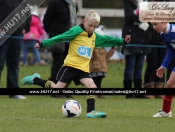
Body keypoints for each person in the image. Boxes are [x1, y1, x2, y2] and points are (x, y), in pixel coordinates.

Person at [21, 10, 131, 118]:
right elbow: (60, 37)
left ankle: (91, 111)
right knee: (57, 89)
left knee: (92, 86)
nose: (92, 29)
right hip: (71, 66)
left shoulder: (94, 37)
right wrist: (43, 44)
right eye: (90, 25)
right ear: (83, 21)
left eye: (94, 27)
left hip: (83, 69)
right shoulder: (76, 31)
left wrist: (123, 41)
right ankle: (35, 79)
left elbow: (108, 39)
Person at [43, 0, 78, 98]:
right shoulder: (55, 2)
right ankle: (55, 90)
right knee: (58, 63)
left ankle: (64, 87)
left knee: (68, 64)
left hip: (71, 39)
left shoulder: (74, 3)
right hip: (58, 37)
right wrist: (53, 35)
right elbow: (47, 20)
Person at [0, 0, 31, 99]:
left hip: (17, 37)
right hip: (3, 35)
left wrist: (26, 28)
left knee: (14, 65)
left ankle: (13, 92)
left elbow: (28, 14)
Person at [122, 0, 151, 98]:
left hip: (143, 38)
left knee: (139, 66)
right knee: (130, 66)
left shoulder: (145, 3)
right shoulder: (128, 2)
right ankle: (128, 92)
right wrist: (143, 16)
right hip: (131, 37)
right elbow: (129, 16)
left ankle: (139, 92)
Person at [151, 22, 175, 117]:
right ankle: (166, 111)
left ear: (164, 22)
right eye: (152, 25)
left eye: (156, 24)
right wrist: (163, 66)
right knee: (169, 84)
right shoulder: (163, 34)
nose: (154, 27)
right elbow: (171, 51)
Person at [90, 25, 115, 98]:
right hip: (94, 69)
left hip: (102, 68)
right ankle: (97, 94)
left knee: (99, 82)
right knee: (95, 82)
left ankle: (98, 93)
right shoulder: (93, 49)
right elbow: (90, 57)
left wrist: (112, 50)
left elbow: (106, 57)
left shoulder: (103, 49)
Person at [143, 24, 166, 98]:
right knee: (152, 63)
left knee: (161, 64)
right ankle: (149, 87)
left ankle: (158, 87)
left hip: (163, 37)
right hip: (151, 36)